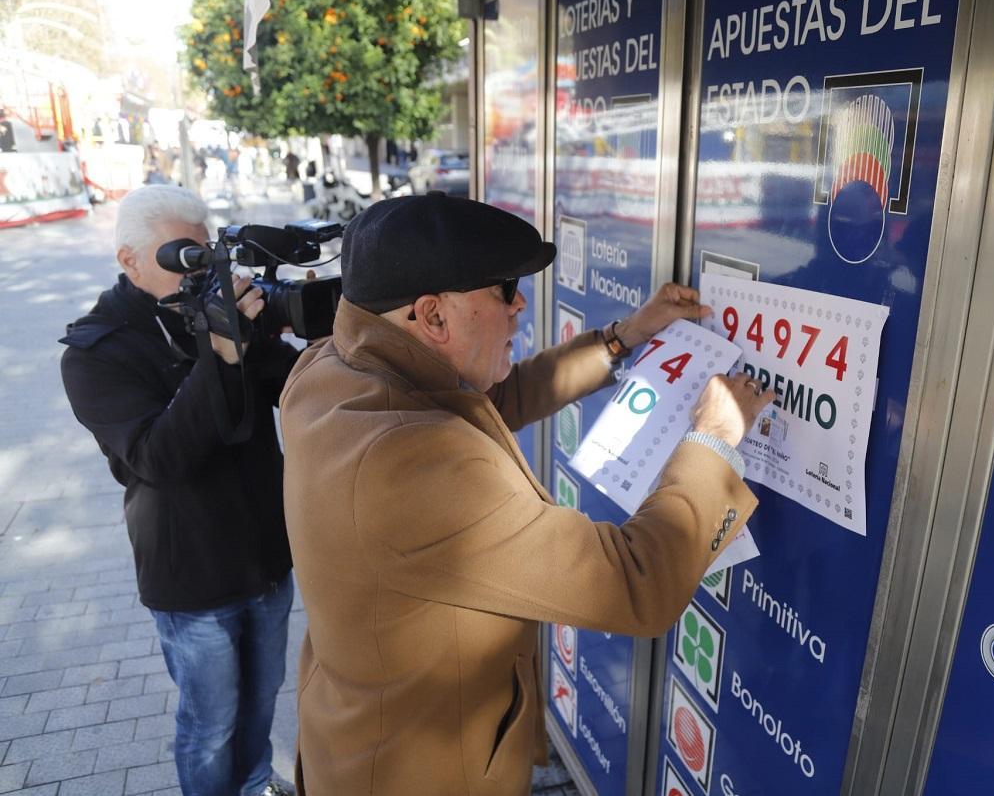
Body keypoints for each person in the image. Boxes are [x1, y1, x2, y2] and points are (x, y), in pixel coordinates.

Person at [279, 193, 776, 794]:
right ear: (432, 316)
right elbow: (636, 582)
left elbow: (488, 404)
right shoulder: (411, 462)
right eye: (503, 289)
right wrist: (715, 440)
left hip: (356, 739)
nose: (519, 305)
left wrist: (622, 337)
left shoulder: (333, 369)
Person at [59, 185, 299, 796]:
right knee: (211, 723)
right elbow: (157, 457)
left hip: (266, 552)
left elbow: (293, 388)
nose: (201, 272)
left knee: (263, 701)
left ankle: (254, 786)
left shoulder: (223, 313)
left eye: (205, 253)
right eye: (182, 257)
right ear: (129, 260)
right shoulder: (96, 351)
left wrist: (292, 325)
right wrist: (217, 355)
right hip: (190, 572)